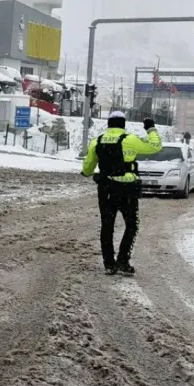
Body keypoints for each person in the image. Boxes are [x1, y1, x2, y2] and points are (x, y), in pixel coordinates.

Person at [81, 111, 162, 276]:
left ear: (108, 124)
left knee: (107, 225)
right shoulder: (130, 139)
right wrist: (151, 129)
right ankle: (123, 261)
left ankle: (109, 264)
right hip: (127, 189)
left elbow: (87, 168)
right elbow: (155, 146)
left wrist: (88, 171)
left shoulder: (97, 141)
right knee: (132, 225)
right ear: (123, 124)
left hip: (106, 189)